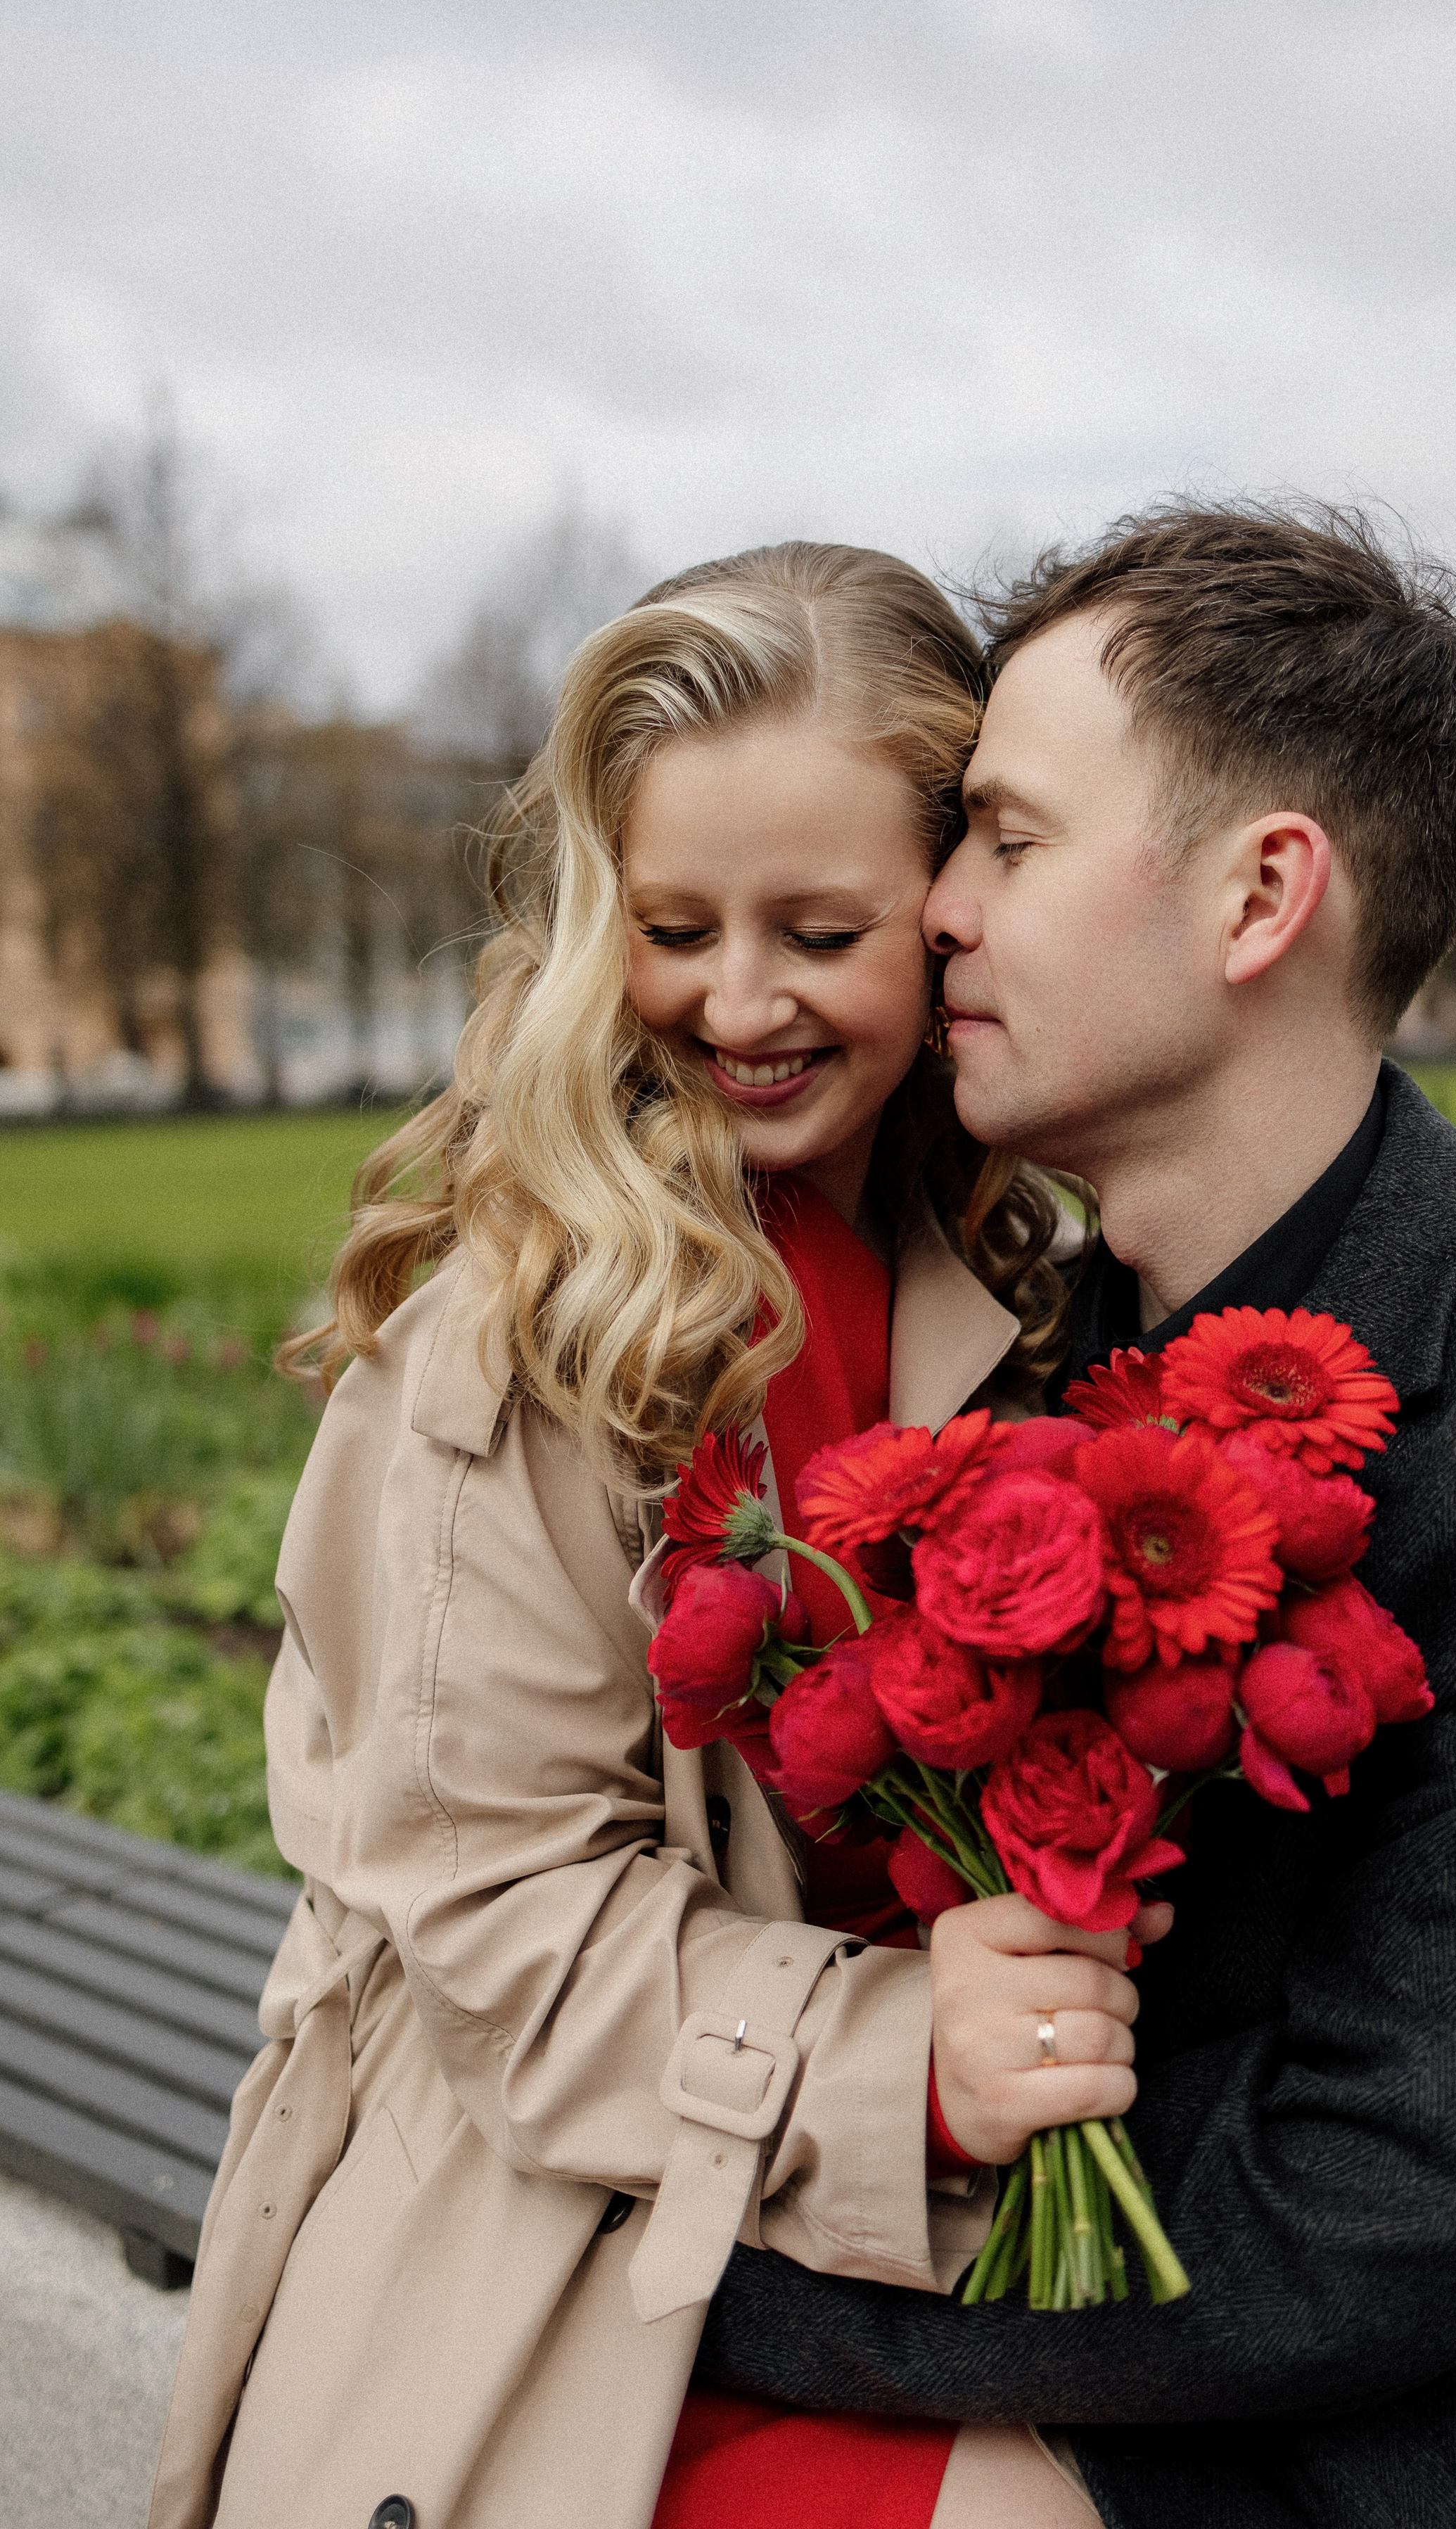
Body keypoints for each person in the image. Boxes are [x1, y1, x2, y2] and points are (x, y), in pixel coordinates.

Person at [693, 506, 1456, 2529]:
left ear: (1262, 895)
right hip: (1176, 2357)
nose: (935, 905)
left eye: (1008, 842)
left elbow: (1377, 2223)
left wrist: (708, 2292)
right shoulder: (1035, 1344)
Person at [148, 542, 1156, 2529]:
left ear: (954, 910)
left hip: (916, 2203)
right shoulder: (521, 1340)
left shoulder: (995, 1266)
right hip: (575, 2250)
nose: (741, 1001)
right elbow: (512, 1930)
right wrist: (907, 2061)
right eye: (675, 926)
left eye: (821, 928)